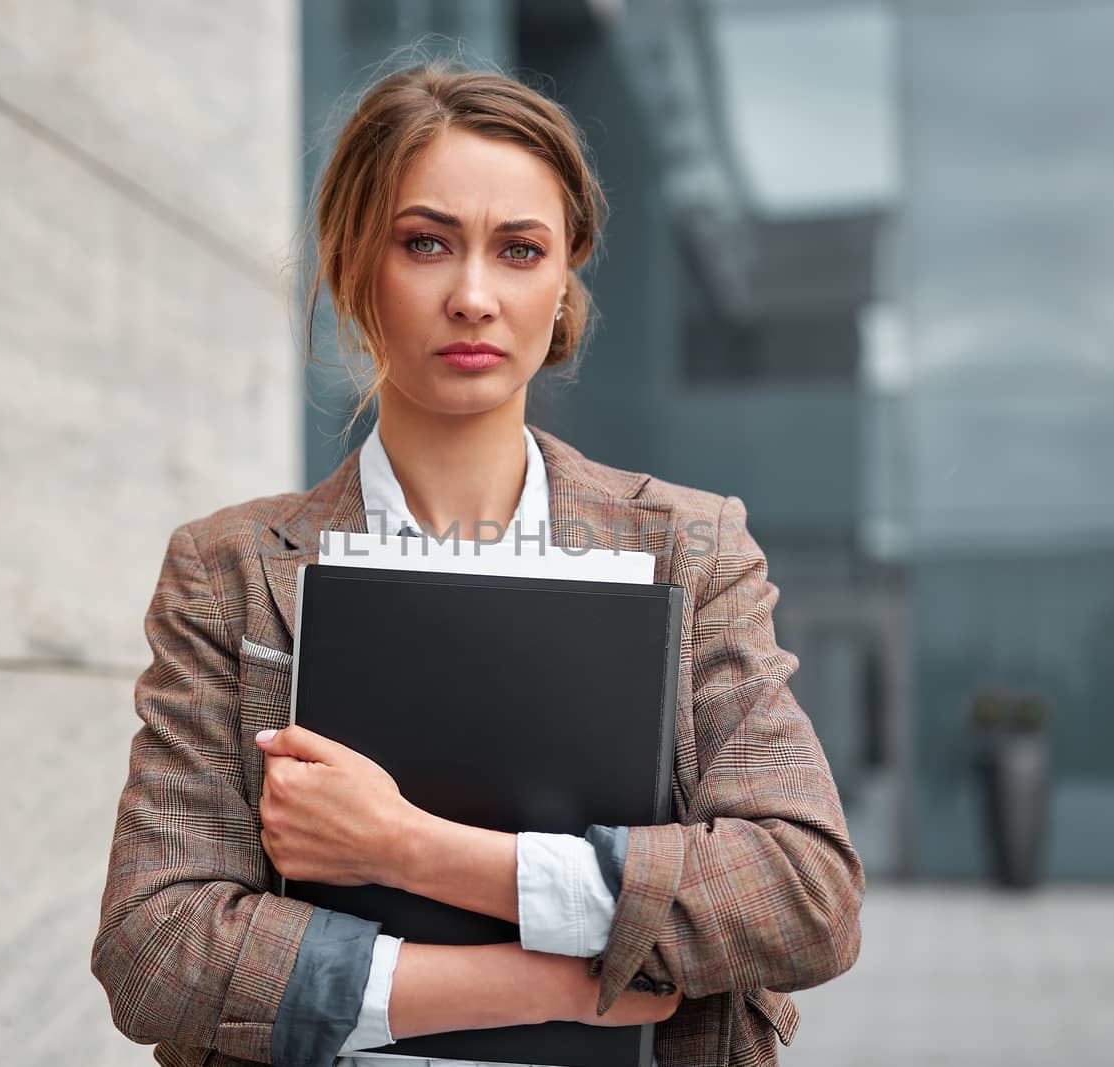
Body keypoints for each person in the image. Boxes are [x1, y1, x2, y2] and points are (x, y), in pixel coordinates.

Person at [90, 61, 864, 1067]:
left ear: (564, 275)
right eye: (425, 243)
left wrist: (409, 847)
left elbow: (804, 893)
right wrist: (547, 982)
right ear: (352, 262)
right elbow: (153, 949)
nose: (472, 295)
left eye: (519, 249)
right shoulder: (230, 568)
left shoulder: (688, 545)